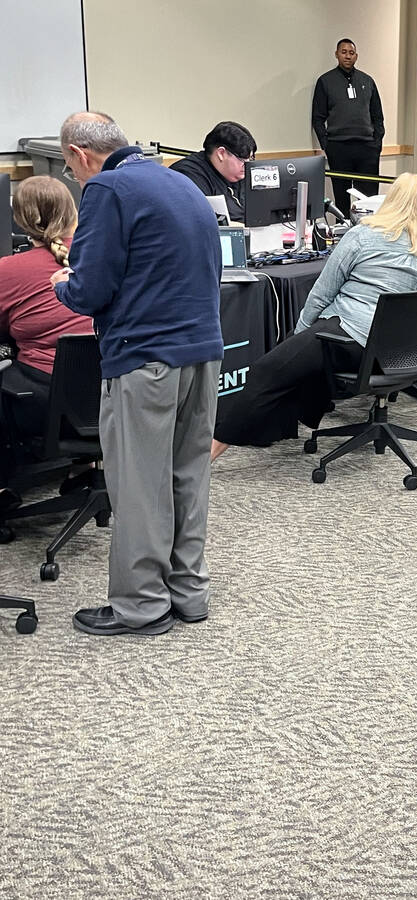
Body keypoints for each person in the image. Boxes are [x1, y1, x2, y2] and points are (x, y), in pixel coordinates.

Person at [50, 111, 224, 637]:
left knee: (139, 485)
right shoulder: (181, 182)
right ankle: (188, 592)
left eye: (69, 168)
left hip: (145, 358)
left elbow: (90, 289)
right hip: (203, 352)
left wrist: (63, 282)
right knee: (188, 475)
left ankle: (141, 605)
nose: (74, 179)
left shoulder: (106, 188)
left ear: (81, 155)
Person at [210, 173, 417, 460]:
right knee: (300, 356)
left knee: (269, 369)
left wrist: (299, 334)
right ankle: (279, 426)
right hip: (406, 354)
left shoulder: (364, 235)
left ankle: (207, 455)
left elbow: (321, 294)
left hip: (353, 341)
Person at [0, 176, 92, 440]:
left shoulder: (9, 270)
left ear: (20, 219)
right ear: (73, 211)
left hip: (45, 403)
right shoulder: (105, 257)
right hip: (113, 396)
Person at [312, 38, 384, 212]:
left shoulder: (367, 81)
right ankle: (343, 234)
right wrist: (327, 145)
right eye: (343, 52)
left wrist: (376, 144)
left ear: (356, 56)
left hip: (367, 148)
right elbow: (318, 118)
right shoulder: (326, 81)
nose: (347, 56)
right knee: (342, 198)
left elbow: (378, 116)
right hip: (339, 147)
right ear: (336, 54)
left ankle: (369, 234)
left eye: (351, 53)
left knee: (368, 198)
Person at [169, 121, 258, 222]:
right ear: (221, 153)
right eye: (242, 159)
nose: (247, 165)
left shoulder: (240, 173)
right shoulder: (188, 175)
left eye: (250, 159)